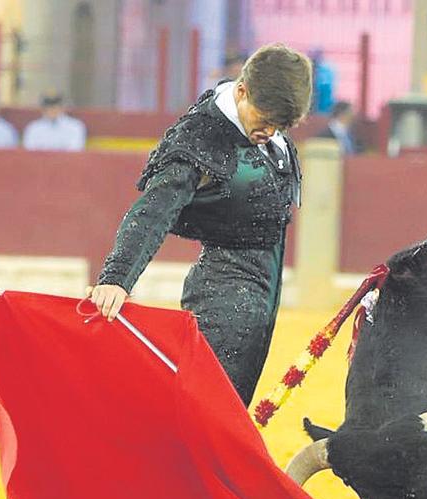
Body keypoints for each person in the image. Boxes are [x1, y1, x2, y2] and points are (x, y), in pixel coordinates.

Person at [88, 44, 312, 406]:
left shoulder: (260, 123)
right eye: (265, 118)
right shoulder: (203, 136)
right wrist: (117, 277)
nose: (270, 131)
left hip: (259, 295)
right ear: (242, 91)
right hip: (225, 296)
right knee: (208, 415)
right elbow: (155, 209)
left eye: (281, 125)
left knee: (221, 412)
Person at [22, 92, 87, 151]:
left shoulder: (75, 126)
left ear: (63, 108)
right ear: (43, 109)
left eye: (55, 107)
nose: (52, 110)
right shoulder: (34, 128)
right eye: (48, 107)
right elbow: (29, 151)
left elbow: (75, 151)